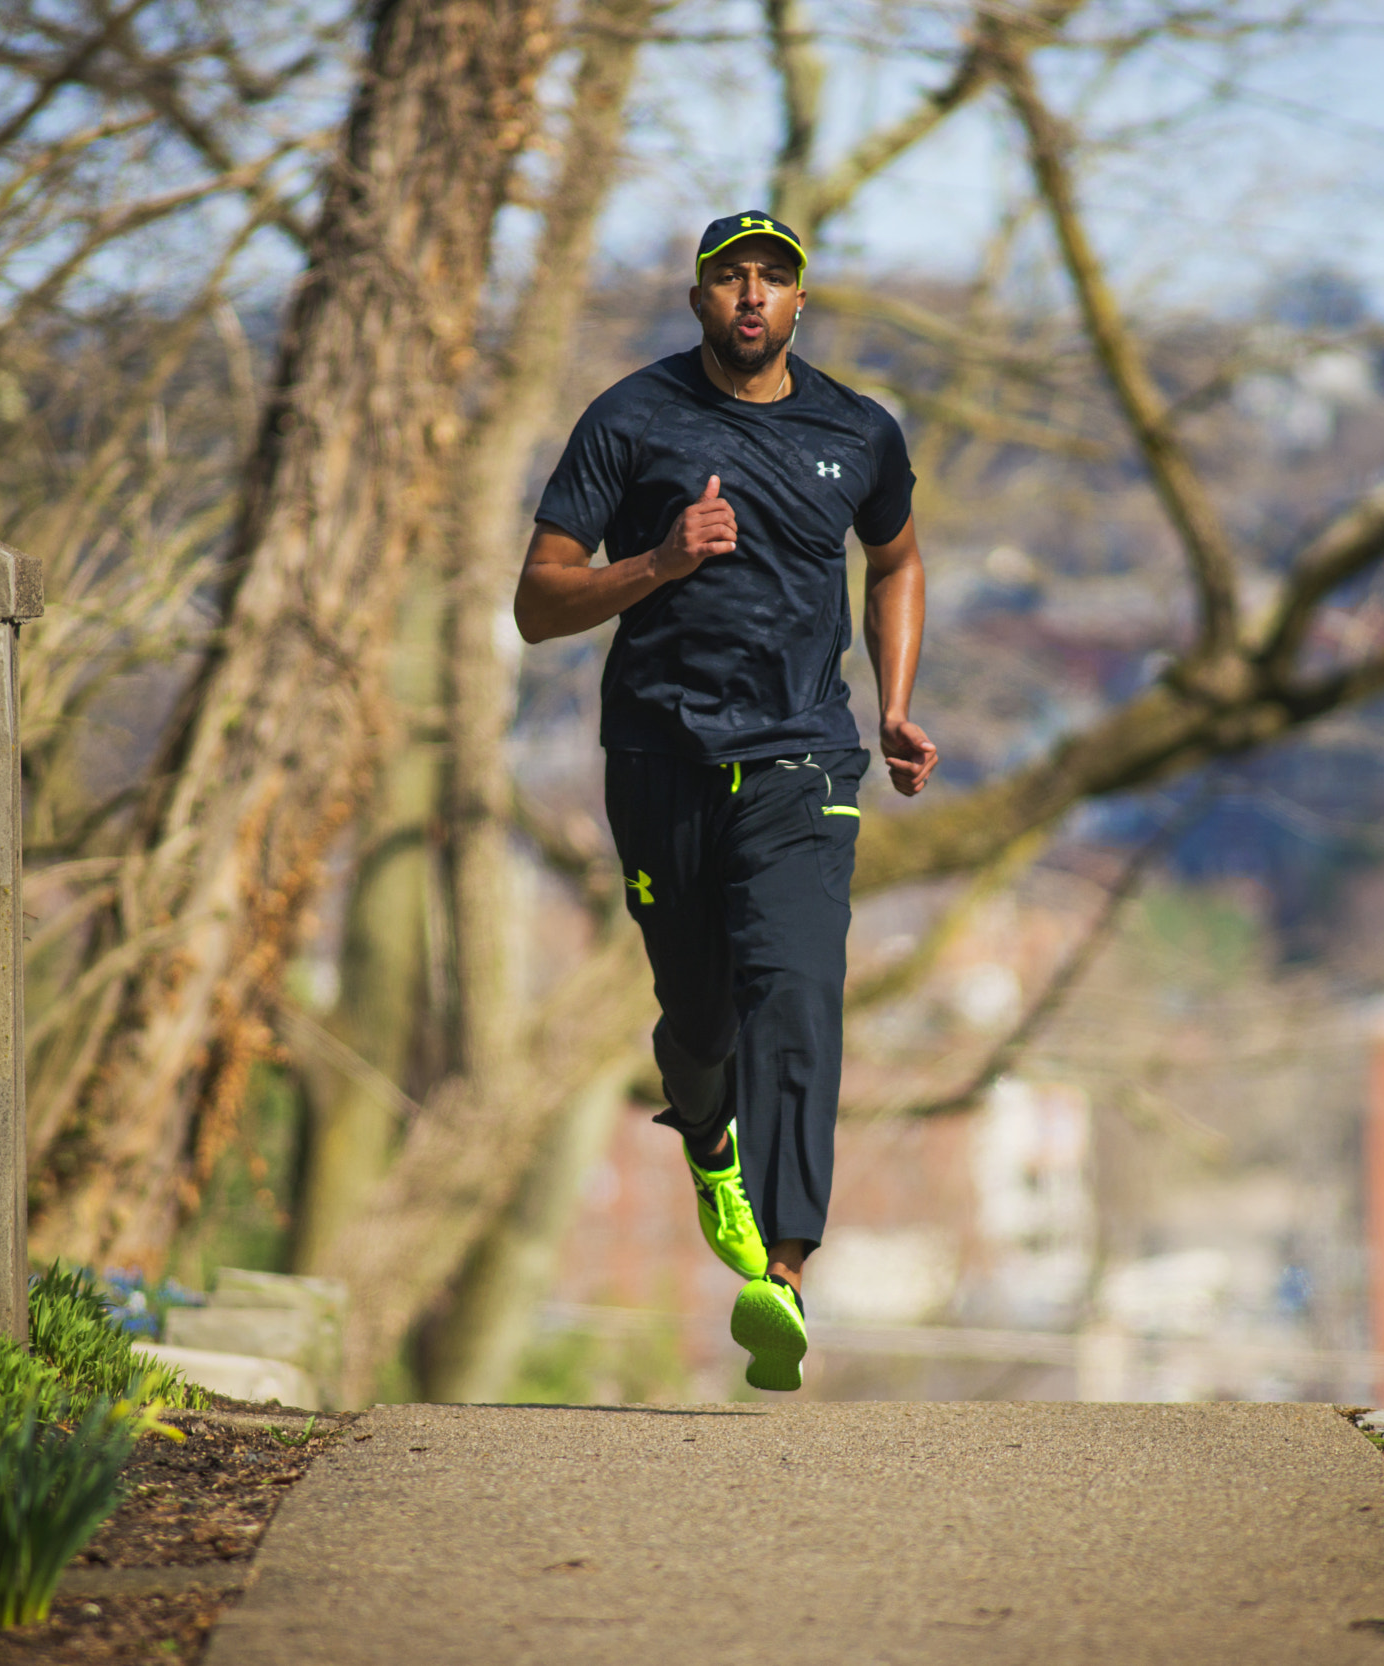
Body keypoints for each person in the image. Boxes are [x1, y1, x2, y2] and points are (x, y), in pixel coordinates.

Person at [513, 210, 938, 1391]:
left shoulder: (856, 430)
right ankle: (707, 1136)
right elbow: (536, 603)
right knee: (698, 1024)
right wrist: (659, 560)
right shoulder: (631, 420)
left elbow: (895, 558)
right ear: (698, 298)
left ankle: (782, 1273)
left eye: (773, 278)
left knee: (799, 991)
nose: (751, 295)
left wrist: (894, 703)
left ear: (801, 300)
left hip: (804, 756)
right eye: (729, 278)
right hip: (660, 759)